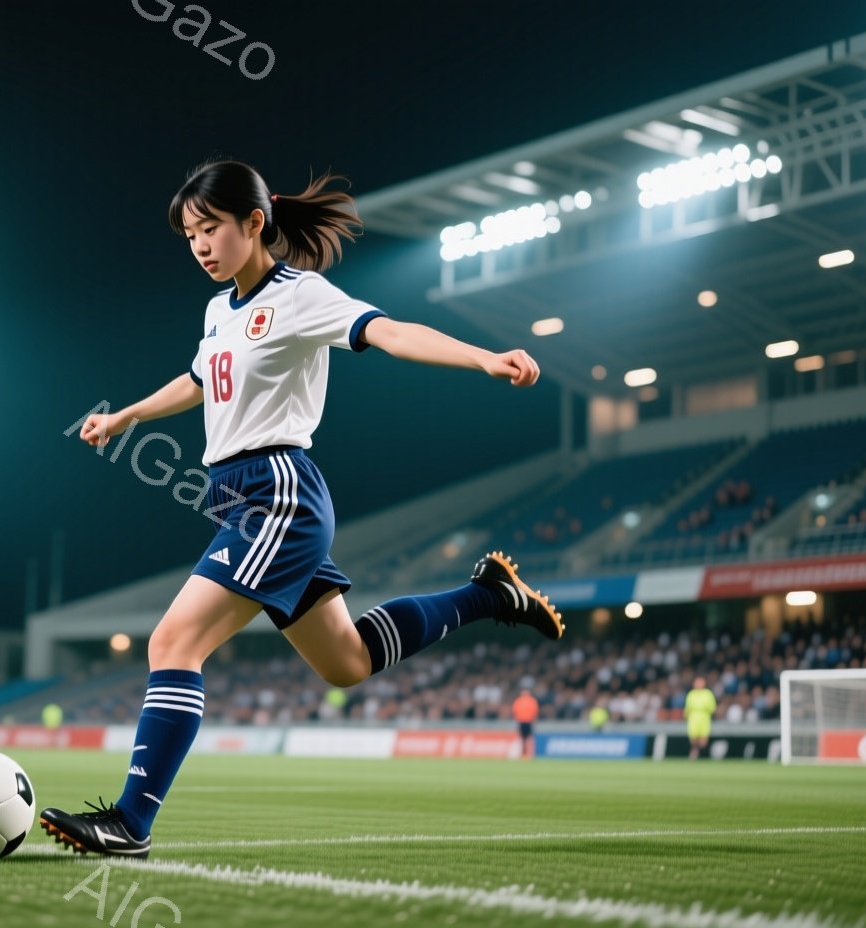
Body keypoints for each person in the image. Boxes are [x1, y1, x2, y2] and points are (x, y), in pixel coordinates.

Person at [38, 160, 564, 860]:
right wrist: (126, 416)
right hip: (238, 499)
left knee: (173, 644)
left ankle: (131, 822)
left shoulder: (300, 295)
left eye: (210, 228)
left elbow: (390, 332)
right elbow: (199, 381)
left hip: (277, 495)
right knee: (347, 661)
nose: (199, 245)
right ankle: (489, 595)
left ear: (254, 222)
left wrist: (483, 358)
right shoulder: (218, 310)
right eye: (189, 234)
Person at [685, 676, 717, 760]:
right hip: (693, 719)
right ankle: (695, 752)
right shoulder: (691, 694)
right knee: (693, 739)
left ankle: (698, 753)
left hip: (704, 719)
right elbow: (687, 708)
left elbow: (712, 708)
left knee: (703, 741)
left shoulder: (708, 694)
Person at [513, 688, 539, 759]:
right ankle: (524, 753)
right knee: (524, 738)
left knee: (527, 738)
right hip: (523, 721)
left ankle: (527, 753)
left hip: (527, 721)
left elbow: (535, 711)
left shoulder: (523, 701)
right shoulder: (530, 701)